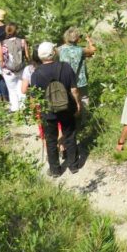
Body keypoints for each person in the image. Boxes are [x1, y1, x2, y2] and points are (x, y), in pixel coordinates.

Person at [29, 41, 84, 177]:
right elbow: (74, 89)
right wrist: (78, 104)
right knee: (70, 135)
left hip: (48, 112)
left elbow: (33, 98)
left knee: (51, 139)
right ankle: (73, 165)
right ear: (53, 53)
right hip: (66, 108)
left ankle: (55, 170)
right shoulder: (65, 67)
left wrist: (36, 112)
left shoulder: (36, 74)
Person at [58, 27, 96, 110]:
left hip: (65, 80)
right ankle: (85, 118)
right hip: (80, 80)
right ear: (77, 39)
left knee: (69, 99)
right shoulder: (81, 50)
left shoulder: (59, 49)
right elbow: (93, 50)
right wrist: (89, 40)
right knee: (84, 98)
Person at [0, 23, 29, 113]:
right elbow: (27, 56)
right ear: (16, 30)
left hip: (8, 71)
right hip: (21, 69)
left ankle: (15, 108)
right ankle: (23, 108)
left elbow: (1, 59)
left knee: (12, 89)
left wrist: (2, 69)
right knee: (21, 89)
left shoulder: (2, 44)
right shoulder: (23, 41)